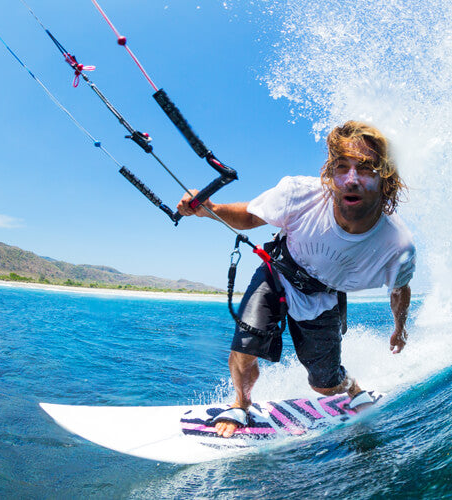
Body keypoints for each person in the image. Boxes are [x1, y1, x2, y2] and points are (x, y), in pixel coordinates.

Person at [177, 121, 415, 438]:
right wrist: (210, 209)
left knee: (324, 385)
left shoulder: (395, 243)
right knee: (246, 345)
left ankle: (350, 385)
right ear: (331, 173)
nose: (352, 180)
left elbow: (400, 289)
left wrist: (399, 328)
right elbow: (250, 216)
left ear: (386, 179)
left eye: (367, 169)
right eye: (342, 168)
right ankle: (241, 404)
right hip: (278, 272)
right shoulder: (300, 194)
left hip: (322, 298)